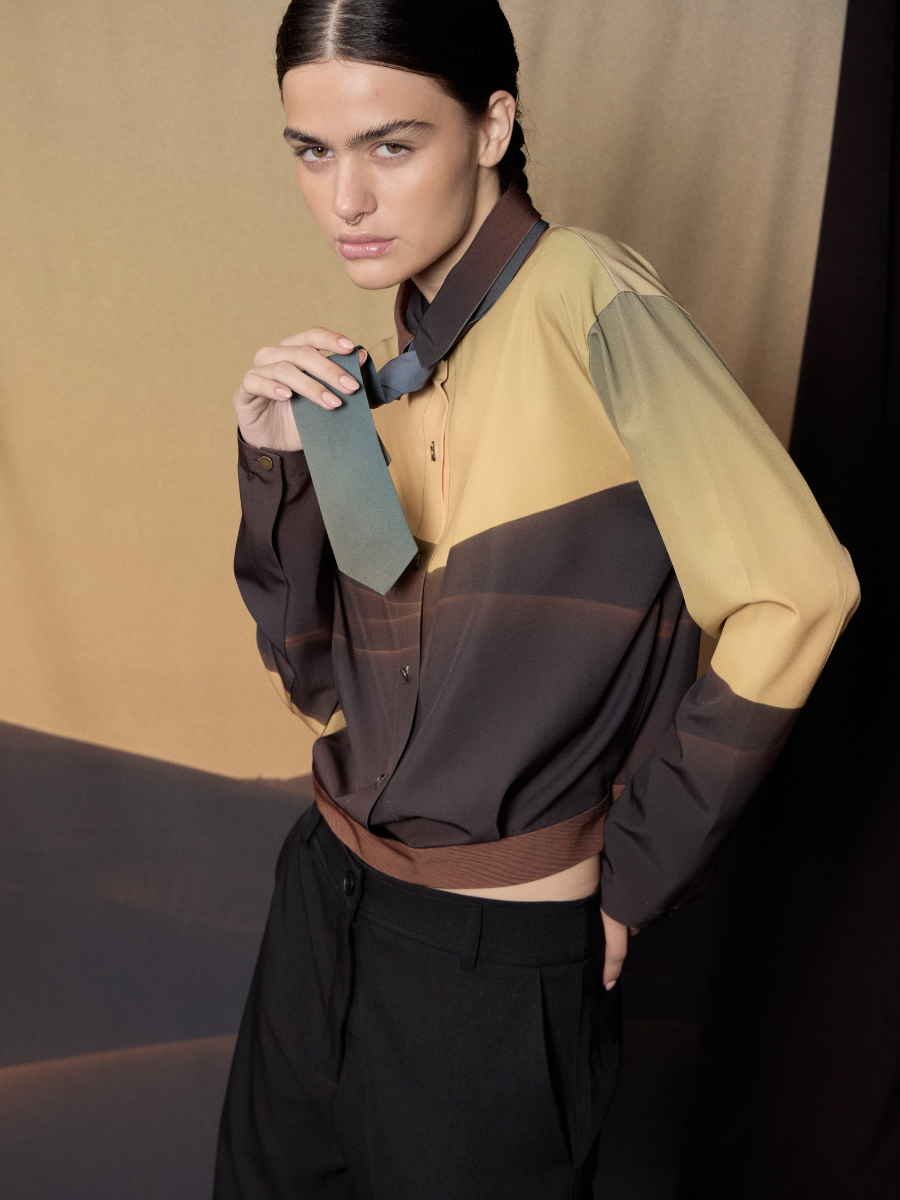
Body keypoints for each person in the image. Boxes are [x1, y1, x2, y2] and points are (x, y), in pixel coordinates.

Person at [215, 1, 860, 1196]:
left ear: (492, 125)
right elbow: (318, 683)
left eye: (391, 144)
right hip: (324, 905)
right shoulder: (388, 371)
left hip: (489, 965)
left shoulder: (586, 294)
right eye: (313, 150)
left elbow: (799, 590)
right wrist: (280, 465)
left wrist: (638, 871)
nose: (346, 198)